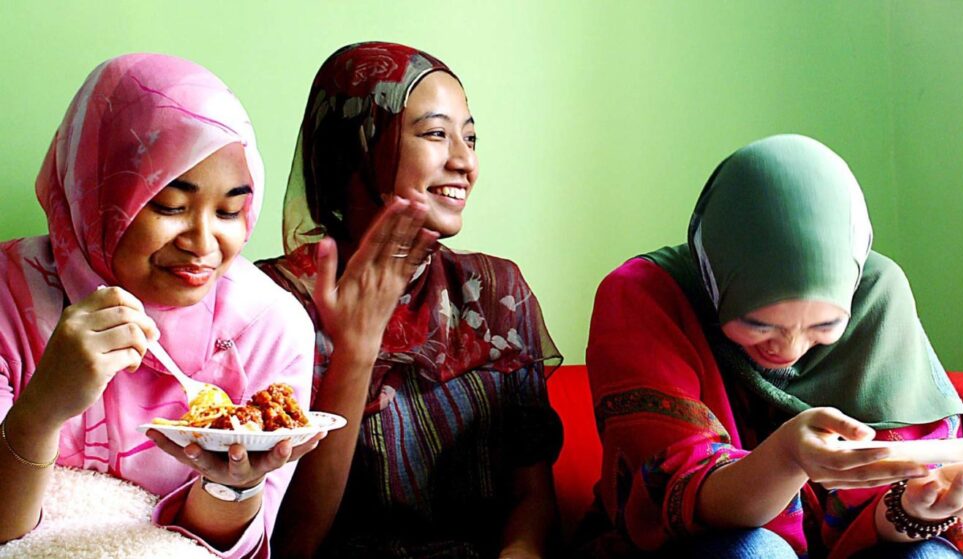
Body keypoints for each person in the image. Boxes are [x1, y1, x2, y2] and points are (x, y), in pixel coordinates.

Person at [581, 135, 963, 558]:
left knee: (927, 554)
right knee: (752, 551)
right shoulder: (646, 294)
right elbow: (667, 496)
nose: (789, 348)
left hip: (861, 544)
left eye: (825, 325)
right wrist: (786, 458)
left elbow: (899, 489)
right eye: (759, 324)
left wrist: (913, 509)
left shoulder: (877, 294)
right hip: (706, 540)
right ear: (715, 278)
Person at [0, 53, 321, 558]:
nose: (202, 241)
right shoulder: (9, 295)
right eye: (170, 206)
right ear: (99, 189)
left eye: (230, 210)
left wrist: (232, 486)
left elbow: (225, 549)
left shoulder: (268, 328)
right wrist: (43, 410)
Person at [258, 42, 563, 559]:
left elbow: (531, 498)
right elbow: (289, 542)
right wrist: (355, 352)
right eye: (437, 134)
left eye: (471, 137)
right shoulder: (270, 306)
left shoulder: (495, 292)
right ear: (358, 143)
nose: (465, 162)